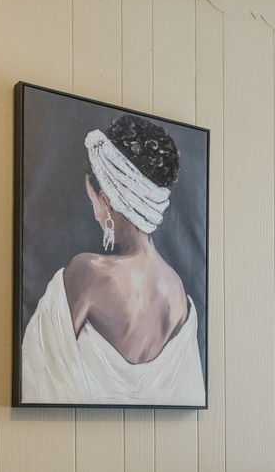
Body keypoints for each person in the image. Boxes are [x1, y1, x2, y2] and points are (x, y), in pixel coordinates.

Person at [20, 113, 206, 405]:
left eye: (92, 199)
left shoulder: (87, 273)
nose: (94, 213)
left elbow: (35, 378)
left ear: (105, 199)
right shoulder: (178, 293)